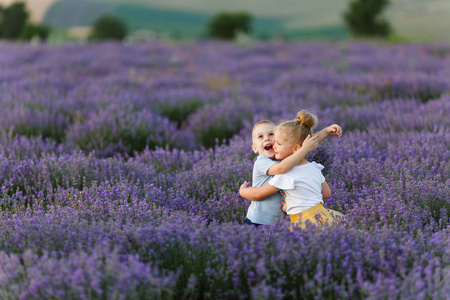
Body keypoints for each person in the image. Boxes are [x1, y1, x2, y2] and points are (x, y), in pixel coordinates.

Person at [242, 115, 342, 227]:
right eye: (260, 137)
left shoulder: (287, 163)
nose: (267, 139)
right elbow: (293, 154)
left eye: (272, 136)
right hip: (259, 220)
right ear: (254, 148)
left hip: (281, 221)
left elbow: (300, 143)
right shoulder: (263, 162)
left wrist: (326, 132)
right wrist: (242, 191)